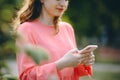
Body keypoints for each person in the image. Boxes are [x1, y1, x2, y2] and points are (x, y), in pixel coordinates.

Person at [13, 0, 96, 80]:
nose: (63, 4)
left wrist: (82, 60)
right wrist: (61, 64)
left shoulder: (67, 28)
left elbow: (71, 73)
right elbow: (26, 76)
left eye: (66, 0)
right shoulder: (26, 29)